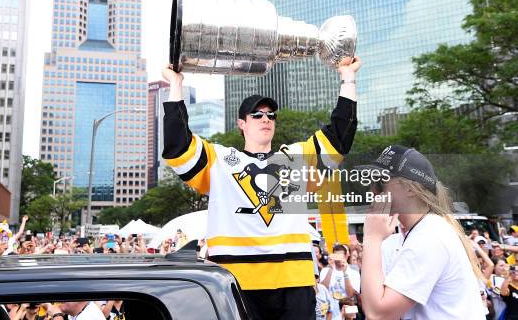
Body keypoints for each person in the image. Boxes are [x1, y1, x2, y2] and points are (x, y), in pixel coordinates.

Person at [162, 56, 361, 320]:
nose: (265, 118)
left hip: (294, 281)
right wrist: (176, 85)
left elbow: (339, 137)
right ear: (241, 124)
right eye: (256, 114)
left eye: (270, 115)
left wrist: (347, 77)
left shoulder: (296, 157)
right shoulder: (220, 161)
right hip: (237, 281)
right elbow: (179, 147)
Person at [359, 145, 486, 319]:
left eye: (380, 183)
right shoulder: (426, 230)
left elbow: (378, 313)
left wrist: (372, 239)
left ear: (410, 188)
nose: (372, 190)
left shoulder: (429, 237)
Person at [320, 244, 361, 320]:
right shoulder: (325, 270)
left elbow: (350, 294)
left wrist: (345, 273)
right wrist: (331, 269)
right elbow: (323, 289)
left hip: (348, 310)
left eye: (340, 256)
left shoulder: (354, 272)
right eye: (336, 256)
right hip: (330, 310)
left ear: (346, 256)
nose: (338, 259)